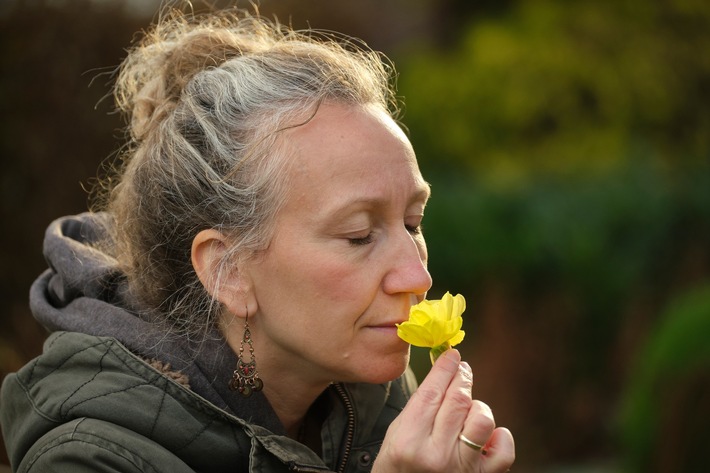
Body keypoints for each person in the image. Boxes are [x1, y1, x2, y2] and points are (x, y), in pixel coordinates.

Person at [0, 6, 514, 473]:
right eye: (359, 235)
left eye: (413, 222)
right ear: (229, 271)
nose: (418, 276)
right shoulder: (90, 459)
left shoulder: (380, 406)